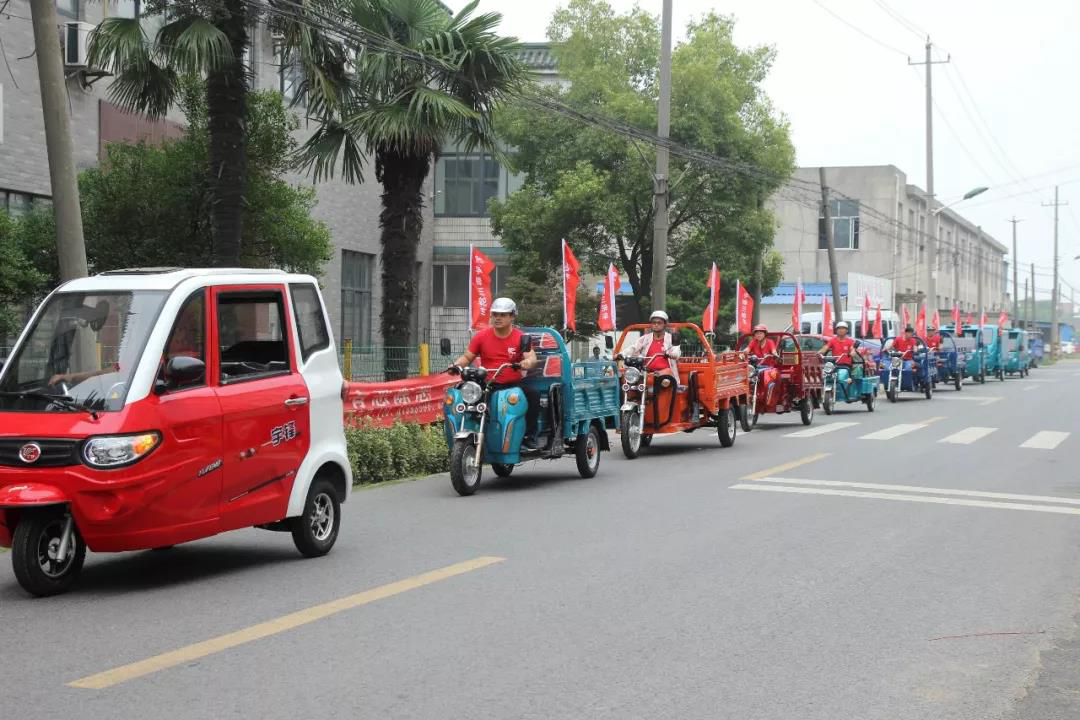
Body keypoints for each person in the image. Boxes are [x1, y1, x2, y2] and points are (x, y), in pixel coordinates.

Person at [450, 297, 541, 449]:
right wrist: (455, 365)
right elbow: (467, 357)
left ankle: (529, 436)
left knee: (533, 395)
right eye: (495, 314)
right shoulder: (481, 336)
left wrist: (526, 363)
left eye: (503, 315)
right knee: (460, 397)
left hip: (512, 386)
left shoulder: (521, 337)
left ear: (512, 316)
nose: (497, 318)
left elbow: (531, 357)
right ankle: (468, 434)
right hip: (487, 385)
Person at [616, 310, 681, 382]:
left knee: (666, 375)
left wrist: (673, 354)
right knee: (630, 383)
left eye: (659, 323)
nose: (656, 325)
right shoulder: (645, 338)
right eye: (654, 323)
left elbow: (676, 350)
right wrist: (621, 355)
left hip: (666, 375)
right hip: (646, 373)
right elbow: (634, 347)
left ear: (665, 324)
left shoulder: (671, 338)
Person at [746, 324, 779, 404]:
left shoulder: (770, 342)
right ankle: (749, 392)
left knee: (759, 373)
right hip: (756, 367)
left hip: (768, 367)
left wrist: (775, 355)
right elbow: (747, 350)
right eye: (757, 333)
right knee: (747, 372)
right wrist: (742, 353)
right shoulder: (753, 342)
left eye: (761, 333)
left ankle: (764, 395)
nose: (758, 335)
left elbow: (774, 351)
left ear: (765, 334)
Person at [819, 321, 858, 387]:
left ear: (846, 330)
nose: (841, 330)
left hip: (846, 365)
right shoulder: (832, 340)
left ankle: (846, 390)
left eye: (843, 328)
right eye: (839, 328)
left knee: (846, 379)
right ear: (836, 330)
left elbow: (852, 349)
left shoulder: (850, 341)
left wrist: (852, 352)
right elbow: (825, 347)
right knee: (826, 377)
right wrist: (819, 352)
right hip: (834, 364)